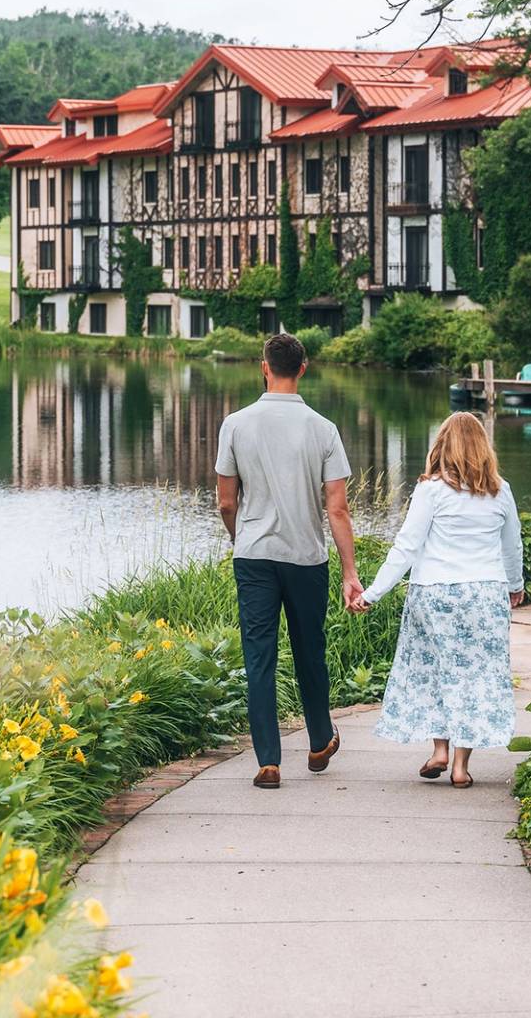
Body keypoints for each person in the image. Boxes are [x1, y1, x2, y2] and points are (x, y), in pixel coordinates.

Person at [215, 332, 361, 789]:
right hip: (306, 558)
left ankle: (269, 762)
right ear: (303, 368)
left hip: (254, 556)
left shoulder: (236, 424)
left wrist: (242, 538)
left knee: (259, 656)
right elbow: (336, 508)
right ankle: (319, 741)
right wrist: (351, 572)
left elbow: (224, 501)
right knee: (308, 651)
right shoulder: (323, 429)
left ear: (264, 366)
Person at [352, 411, 523, 788]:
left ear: (441, 446)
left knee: (434, 669)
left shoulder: (430, 490)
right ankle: (461, 766)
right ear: (483, 448)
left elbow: (406, 546)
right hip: (484, 593)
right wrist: (515, 584)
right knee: (475, 677)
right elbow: (511, 545)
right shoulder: (499, 490)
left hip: (435, 592)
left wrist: (372, 593)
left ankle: (439, 749)